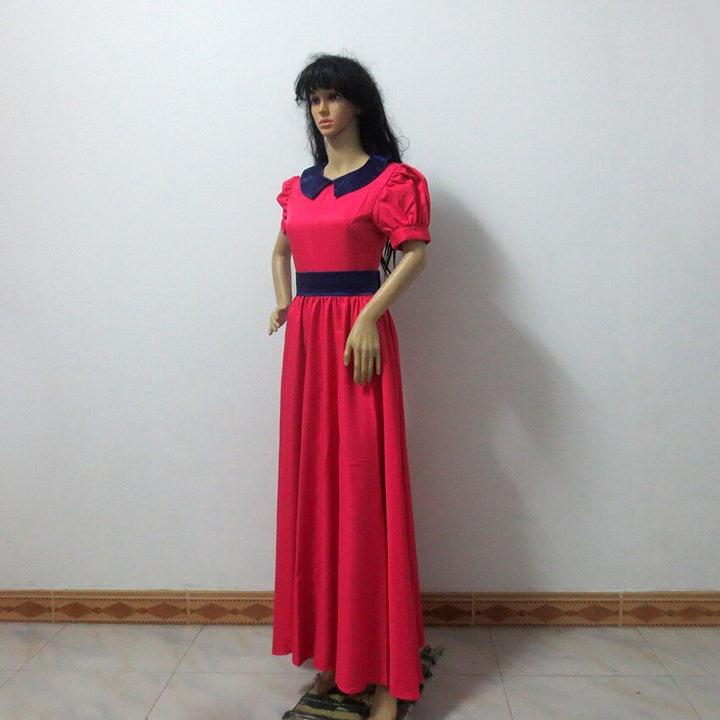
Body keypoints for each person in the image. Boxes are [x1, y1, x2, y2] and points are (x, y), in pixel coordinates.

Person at [268, 53, 430, 720]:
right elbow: (281, 250)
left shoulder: (390, 181)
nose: (322, 110)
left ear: (358, 103)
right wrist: (285, 303)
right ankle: (339, 653)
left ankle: (388, 668)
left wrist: (367, 317)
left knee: (366, 493)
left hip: (358, 343)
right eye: (314, 100)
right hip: (309, 345)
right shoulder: (298, 187)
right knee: (319, 489)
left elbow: (414, 253)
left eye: (333, 97)